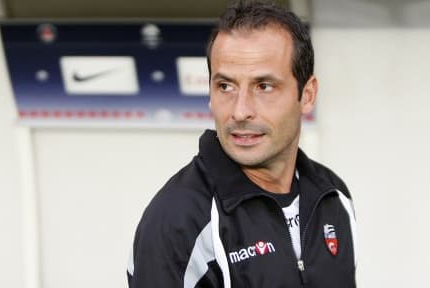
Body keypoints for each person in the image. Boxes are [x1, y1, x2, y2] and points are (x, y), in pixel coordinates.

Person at [127, 1, 357, 287]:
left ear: (307, 95)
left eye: (264, 86)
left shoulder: (333, 196)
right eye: (225, 86)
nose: (240, 111)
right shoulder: (176, 220)